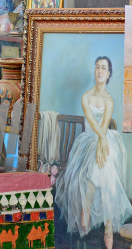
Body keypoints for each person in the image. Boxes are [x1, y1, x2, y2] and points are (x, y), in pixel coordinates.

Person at [55, 56, 132, 249]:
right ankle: (104, 223)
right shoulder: (86, 97)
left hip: (105, 138)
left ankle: (96, 216)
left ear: (108, 74)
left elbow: (105, 125)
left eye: (104, 68)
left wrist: (102, 142)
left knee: (105, 162)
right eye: (97, 67)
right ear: (95, 71)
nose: (100, 71)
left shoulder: (110, 100)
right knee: (100, 162)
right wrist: (100, 141)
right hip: (89, 140)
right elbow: (91, 121)